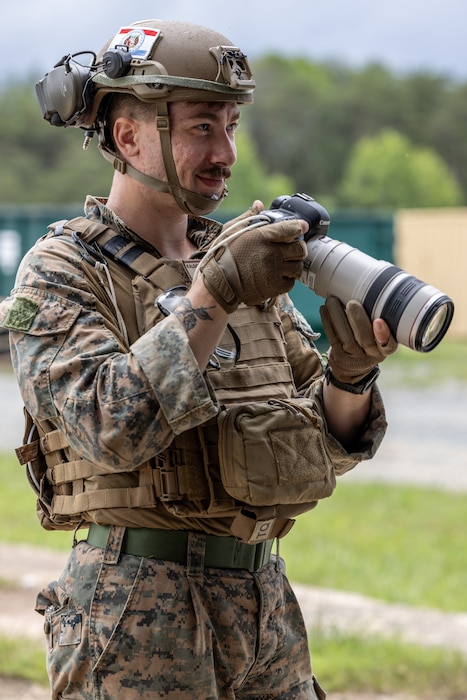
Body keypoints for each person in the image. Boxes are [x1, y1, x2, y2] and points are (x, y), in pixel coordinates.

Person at [0, 19, 397, 700]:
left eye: (232, 126)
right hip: (134, 616)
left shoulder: (240, 259)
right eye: (201, 128)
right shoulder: (62, 271)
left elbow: (323, 439)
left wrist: (351, 374)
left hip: (263, 603)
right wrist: (212, 291)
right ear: (128, 137)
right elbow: (108, 425)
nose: (227, 153)